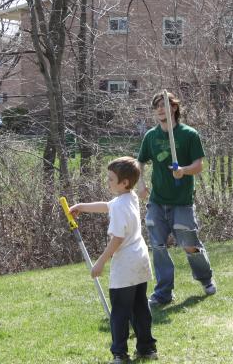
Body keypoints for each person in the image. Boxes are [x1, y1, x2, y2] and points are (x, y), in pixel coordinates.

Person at [69, 157, 157, 364]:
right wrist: (82, 206)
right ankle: (147, 349)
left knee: (119, 311)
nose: (107, 182)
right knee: (139, 306)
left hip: (126, 264)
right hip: (140, 259)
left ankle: (120, 353)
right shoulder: (131, 197)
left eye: (110, 179)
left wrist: (100, 262)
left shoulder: (120, 206)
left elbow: (117, 238)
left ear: (124, 182)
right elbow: (108, 206)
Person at [137, 91, 216, 306]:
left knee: (189, 245)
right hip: (157, 201)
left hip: (181, 201)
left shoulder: (189, 134)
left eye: (164, 105)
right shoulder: (151, 136)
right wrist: (141, 183)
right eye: (156, 107)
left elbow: (198, 165)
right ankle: (163, 293)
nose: (160, 109)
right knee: (158, 246)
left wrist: (183, 170)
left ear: (174, 108)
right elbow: (140, 162)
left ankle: (205, 278)